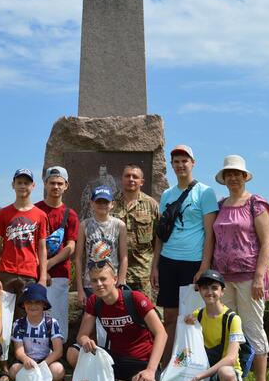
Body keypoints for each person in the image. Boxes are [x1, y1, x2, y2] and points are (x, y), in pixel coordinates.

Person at [211, 155, 269, 381]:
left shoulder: (256, 204)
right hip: (224, 278)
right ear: (224, 179)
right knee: (231, 331)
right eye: (229, 174)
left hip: (250, 277)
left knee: (252, 328)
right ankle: (236, 378)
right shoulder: (220, 204)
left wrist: (259, 276)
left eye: (237, 173)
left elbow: (267, 242)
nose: (233, 177)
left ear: (245, 176)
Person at [150, 145, 219, 363]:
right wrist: (155, 265)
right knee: (170, 316)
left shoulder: (205, 193)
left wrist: (203, 267)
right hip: (168, 261)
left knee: (193, 317)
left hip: (193, 263)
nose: (180, 165)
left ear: (193, 163)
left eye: (184, 161)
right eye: (176, 162)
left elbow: (210, 233)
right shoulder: (167, 195)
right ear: (172, 165)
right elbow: (161, 233)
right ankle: (168, 364)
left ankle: (194, 364)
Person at [67, 261, 166, 381]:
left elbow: (161, 333)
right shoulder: (94, 301)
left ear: (115, 280)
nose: (99, 284)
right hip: (113, 359)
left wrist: (151, 370)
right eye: (94, 280)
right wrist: (85, 341)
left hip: (140, 361)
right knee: (73, 352)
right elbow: (81, 336)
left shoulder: (135, 298)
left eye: (103, 279)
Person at [160, 270, 245, 381]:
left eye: (214, 287)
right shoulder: (197, 314)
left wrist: (198, 377)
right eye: (205, 287)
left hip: (220, 370)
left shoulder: (233, 319)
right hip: (200, 370)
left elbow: (231, 359)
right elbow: (189, 344)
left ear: (222, 291)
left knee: (227, 374)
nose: (209, 292)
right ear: (199, 290)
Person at [0, 168, 50, 381]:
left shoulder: (39, 215)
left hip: (29, 273)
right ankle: (4, 367)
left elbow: (42, 248)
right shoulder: (4, 213)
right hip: (6, 272)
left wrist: (42, 277)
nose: (23, 186)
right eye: (19, 182)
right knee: (5, 322)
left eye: (27, 182)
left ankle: (25, 362)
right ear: (13, 184)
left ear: (33, 186)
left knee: (27, 320)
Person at [35, 166, 79, 340]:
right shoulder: (36, 210)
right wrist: (42, 269)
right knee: (36, 314)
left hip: (60, 272)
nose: (56, 187)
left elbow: (71, 246)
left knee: (57, 316)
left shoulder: (71, 215)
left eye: (60, 183)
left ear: (66, 185)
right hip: (35, 271)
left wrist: (49, 264)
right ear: (45, 184)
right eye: (52, 183)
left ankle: (57, 353)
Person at [112, 164, 160, 298]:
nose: (131, 179)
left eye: (135, 177)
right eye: (127, 176)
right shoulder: (111, 203)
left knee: (143, 312)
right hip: (114, 271)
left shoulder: (151, 205)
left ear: (141, 182)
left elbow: (158, 240)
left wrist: (155, 267)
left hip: (142, 272)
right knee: (118, 312)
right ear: (122, 179)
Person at [75, 185, 128, 307]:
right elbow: (78, 258)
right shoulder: (84, 225)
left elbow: (124, 256)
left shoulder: (119, 225)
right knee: (91, 319)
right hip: (90, 284)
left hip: (112, 283)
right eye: (98, 201)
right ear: (91, 203)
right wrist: (80, 288)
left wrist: (120, 282)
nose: (102, 205)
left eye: (106, 202)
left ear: (112, 204)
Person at [8, 283, 65, 381]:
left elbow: (58, 351)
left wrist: (43, 365)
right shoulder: (18, 324)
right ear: (23, 304)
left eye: (37, 302)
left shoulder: (51, 323)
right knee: (14, 370)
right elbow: (19, 351)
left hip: (46, 361)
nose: (33, 306)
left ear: (44, 304)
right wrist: (25, 360)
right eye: (29, 302)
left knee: (58, 370)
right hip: (27, 362)